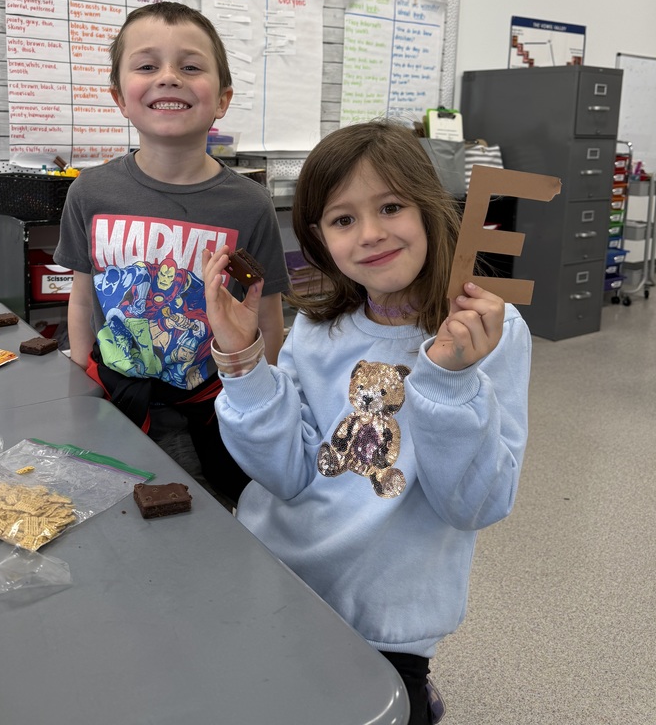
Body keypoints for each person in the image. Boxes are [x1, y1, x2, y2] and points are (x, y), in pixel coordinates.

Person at [202, 120, 531, 725]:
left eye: (390, 206)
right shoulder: (316, 328)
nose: (371, 234)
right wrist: (243, 358)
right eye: (343, 218)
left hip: (389, 618)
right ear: (319, 239)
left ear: (431, 208)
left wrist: (452, 381)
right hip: (275, 575)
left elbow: (477, 505)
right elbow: (285, 473)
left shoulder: (491, 331)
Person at [55, 2, 289, 505]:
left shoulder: (249, 206)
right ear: (120, 96)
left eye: (190, 66)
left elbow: (268, 316)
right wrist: (78, 376)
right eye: (146, 66)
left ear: (222, 99)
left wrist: (263, 402)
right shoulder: (90, 193)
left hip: (211, 404)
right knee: (105, 509)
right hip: (113, 392)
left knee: (215, 518)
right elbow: (80, 296)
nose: (168, 78)